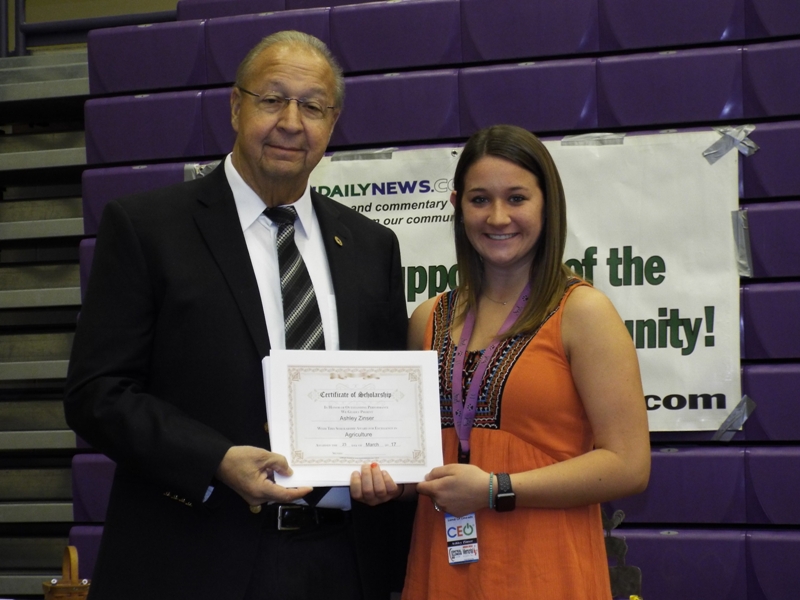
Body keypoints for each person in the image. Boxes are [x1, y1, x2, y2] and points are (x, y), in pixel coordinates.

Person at [65, 31, 410, 600]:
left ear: (333, 122)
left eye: (312, 107)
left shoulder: (372, 246)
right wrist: (216, 460)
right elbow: (96, 393)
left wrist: (390, 469)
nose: (291, 123)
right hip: (194, 560)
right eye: (272, 99)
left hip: (340, 564)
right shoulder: (147, 228)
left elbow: (386, 398)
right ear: (235, 106)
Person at [399, 125, 651, 599]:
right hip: (444, 570)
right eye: (479, 200)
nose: (498, 217)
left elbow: (628, 465)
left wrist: (495, 488)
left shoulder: (582, 312)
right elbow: (420, 460)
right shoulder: (427, 320)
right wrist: (384, 481)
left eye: (517, 198)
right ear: (457, 206)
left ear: (547, 205)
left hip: (547, 571)